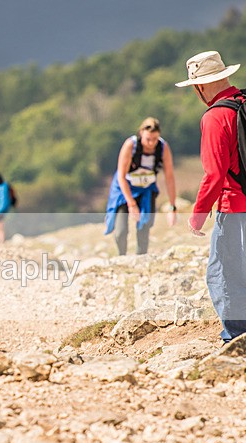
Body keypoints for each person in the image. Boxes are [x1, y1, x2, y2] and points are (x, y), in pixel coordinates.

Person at [176, 50, 246, 343]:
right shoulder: (244, 102)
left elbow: (214, 175)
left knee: (222, 273)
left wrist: (197, 215)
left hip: (236, 207)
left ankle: (236, 337)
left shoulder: (217, 116)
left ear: (200, 86)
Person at [104, 117, 177, 255]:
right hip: (124, 188)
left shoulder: (163, 148)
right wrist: (131, 204)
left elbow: (169, 177)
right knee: (120, 231)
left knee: (144, 225)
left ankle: (141, 258)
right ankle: (122, 258)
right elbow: (121, 176)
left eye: (155, 139)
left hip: (146, 189)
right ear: (141, 133)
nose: (151, 143)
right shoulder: (130, 146)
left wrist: (172, 207)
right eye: (148, 139)